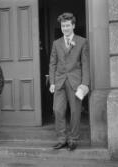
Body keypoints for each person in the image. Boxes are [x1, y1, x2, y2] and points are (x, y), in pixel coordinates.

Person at [49, 13, 89, 151]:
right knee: (57, 110)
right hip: (59, 81)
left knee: (75, 111)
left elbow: (85, 64)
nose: (65, 28)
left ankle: (73, 139)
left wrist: (85, 84)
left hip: (75, 82)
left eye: (67, 25)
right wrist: (52, 82)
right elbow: (52, 64)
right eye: (63, 26)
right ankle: (61, 139)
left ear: (73, 25)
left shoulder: (82, 41)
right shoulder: (56, 43)